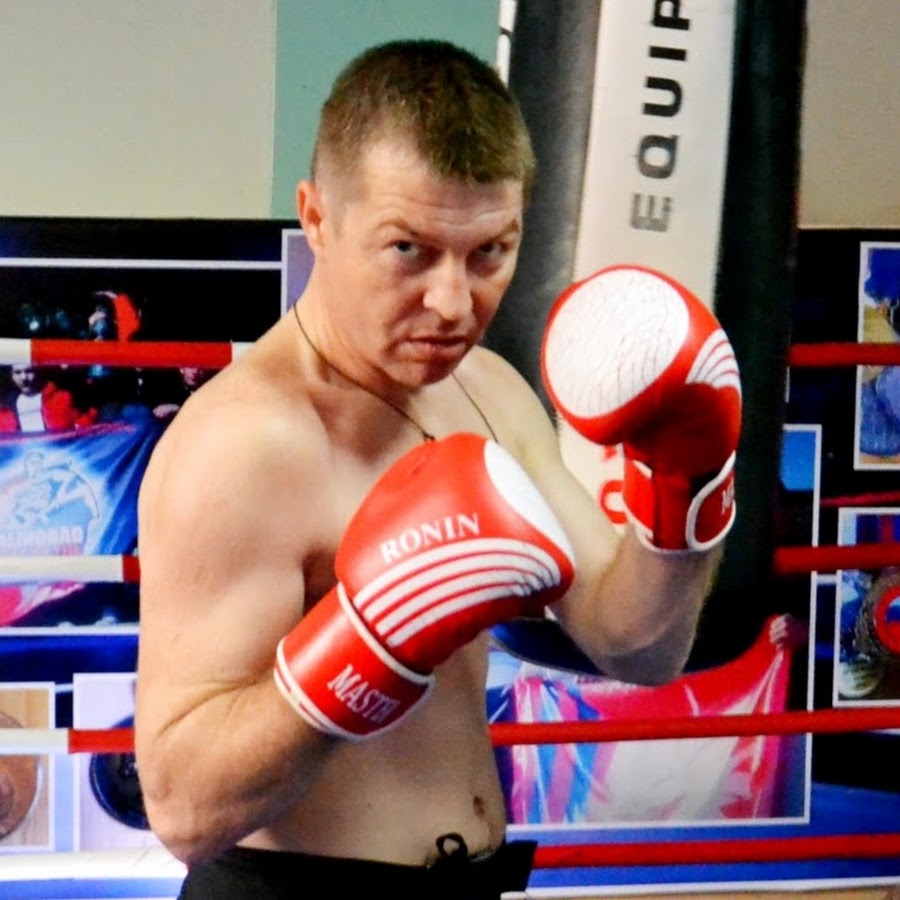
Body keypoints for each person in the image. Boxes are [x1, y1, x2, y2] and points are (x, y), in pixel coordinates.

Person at [134, 39, 741, 899]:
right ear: (316, 218)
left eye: (489, 252)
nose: (454, 303)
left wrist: (688, 487)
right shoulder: (245, 446)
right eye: (409, 250)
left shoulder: (486, 389)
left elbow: (637, 647)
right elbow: (183, 810)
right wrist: (366, 642)